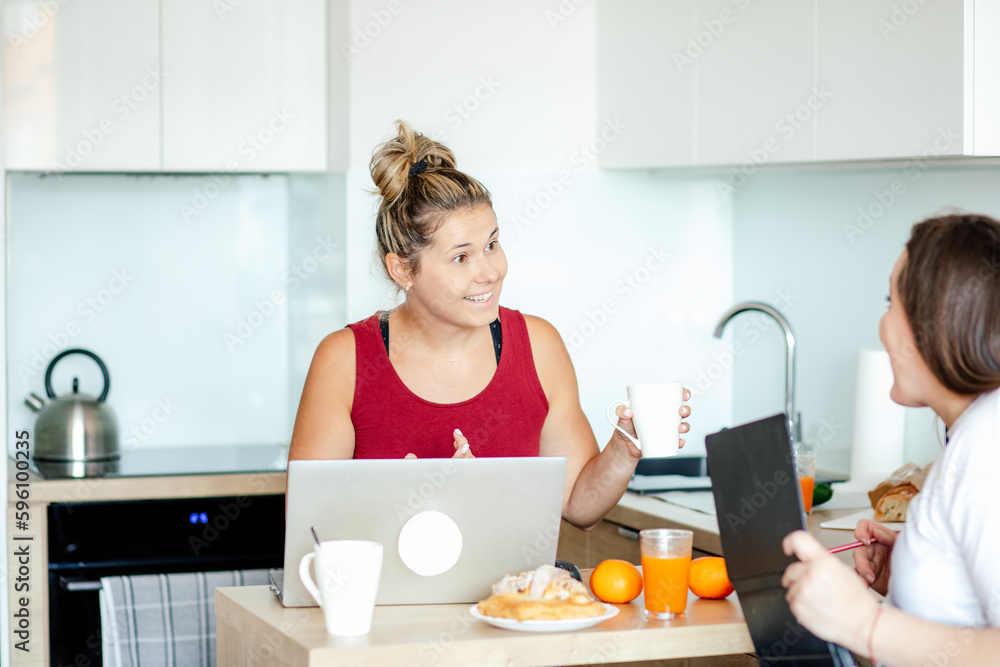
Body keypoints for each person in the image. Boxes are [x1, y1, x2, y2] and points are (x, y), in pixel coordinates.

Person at [289, 120, 691, 529]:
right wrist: (405, 501)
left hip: (514, 594)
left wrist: (626, 447)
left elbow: (578, 506)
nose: (490, 272)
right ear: (402, 270)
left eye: (492, 245)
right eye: (461, 257)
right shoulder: (345, 360)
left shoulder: (538, 345)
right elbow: (308, 525)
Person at [781, 213, 1000, 666]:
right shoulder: (972, 434)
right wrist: (921, 569)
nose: (882, 325)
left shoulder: (987, 448)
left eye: (890, 301)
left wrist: (865, 623)